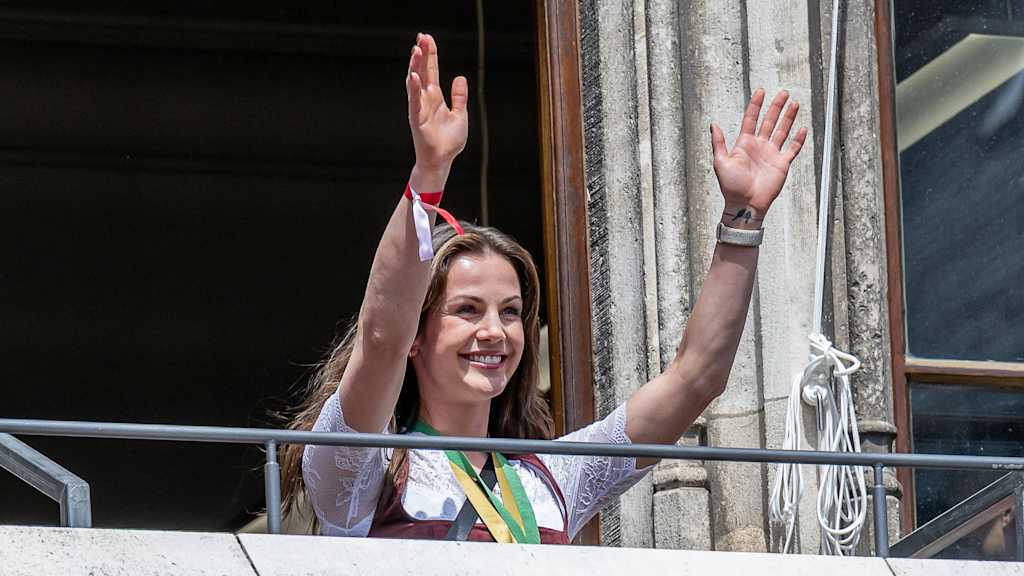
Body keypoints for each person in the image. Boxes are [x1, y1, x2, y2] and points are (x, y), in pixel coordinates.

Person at [279, 32, 807, 543]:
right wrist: (429, 174)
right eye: (467, 309)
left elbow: (696, 379)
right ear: (416, 335)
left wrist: (743, 221)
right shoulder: (359, 474)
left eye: (510, 313)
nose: (495, 331)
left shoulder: (556, 475)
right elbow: (379, 338)